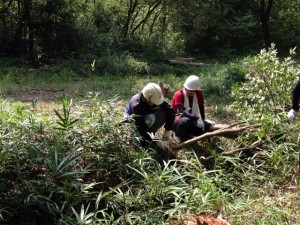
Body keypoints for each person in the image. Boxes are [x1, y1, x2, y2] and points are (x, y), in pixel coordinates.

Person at [124, 83, 175, 150]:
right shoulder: (136, 105)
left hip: (145, 117)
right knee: (150, 119)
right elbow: (141, 126)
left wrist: (168, 130)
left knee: (163, 113)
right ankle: (135, 138)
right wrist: (156, 140)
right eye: (153, 102)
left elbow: (170, 111)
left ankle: (149, 136)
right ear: (147, 99)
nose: (156, 103)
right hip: (133, 120)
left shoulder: (154, 96)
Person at [171, 75, 215, 143]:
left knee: (205, 127)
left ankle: (188, 133)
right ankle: (177, 134)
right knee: (185, 121)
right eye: (189, 90)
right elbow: (181, 111)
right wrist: (196, 118)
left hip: (190, 118)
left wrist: (203, 120)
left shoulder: (198, 93)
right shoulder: (179, 94)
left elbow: (201, 106)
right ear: (185, 87)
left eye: (192, 90)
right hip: (176, 119)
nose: (190, 92)